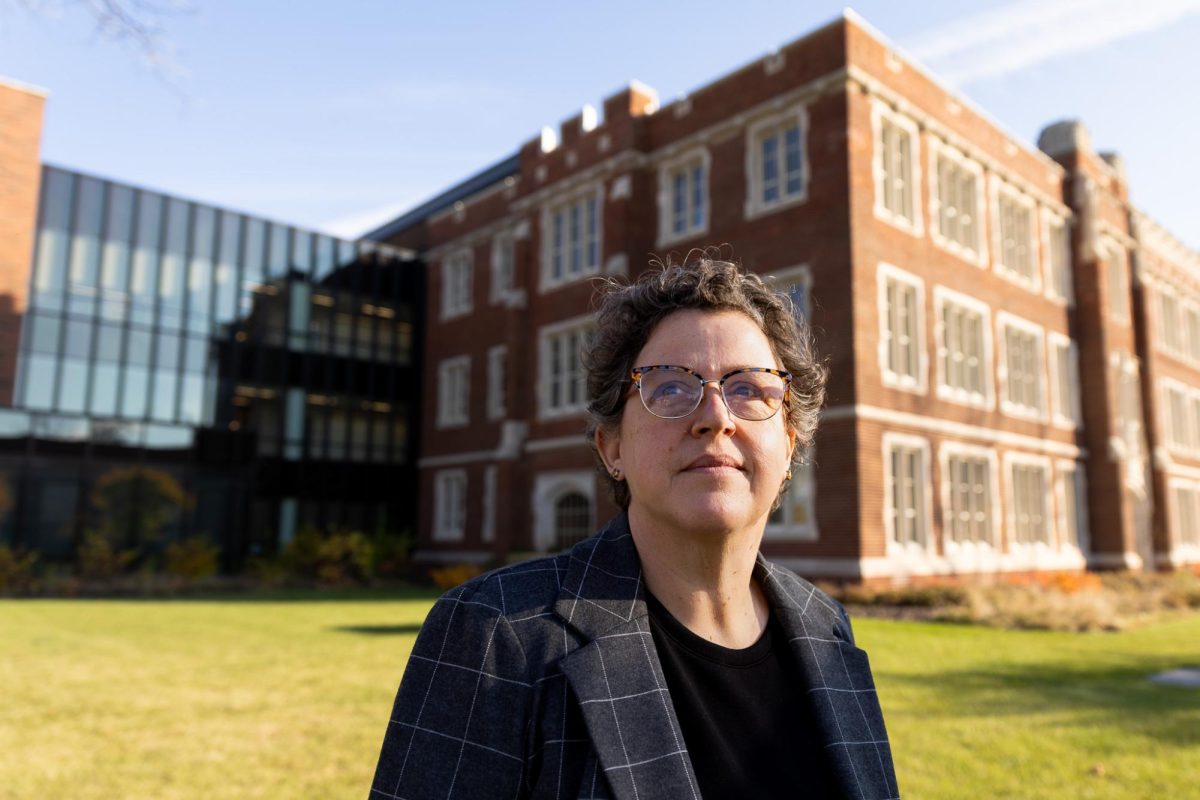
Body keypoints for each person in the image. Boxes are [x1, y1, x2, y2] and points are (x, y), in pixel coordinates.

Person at [370, 257, 899, 799]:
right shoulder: (495, 633)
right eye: (669, 388)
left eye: (749, 388)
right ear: (613, 447)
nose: (716, 416)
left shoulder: (826, 625)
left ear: (788, 446)